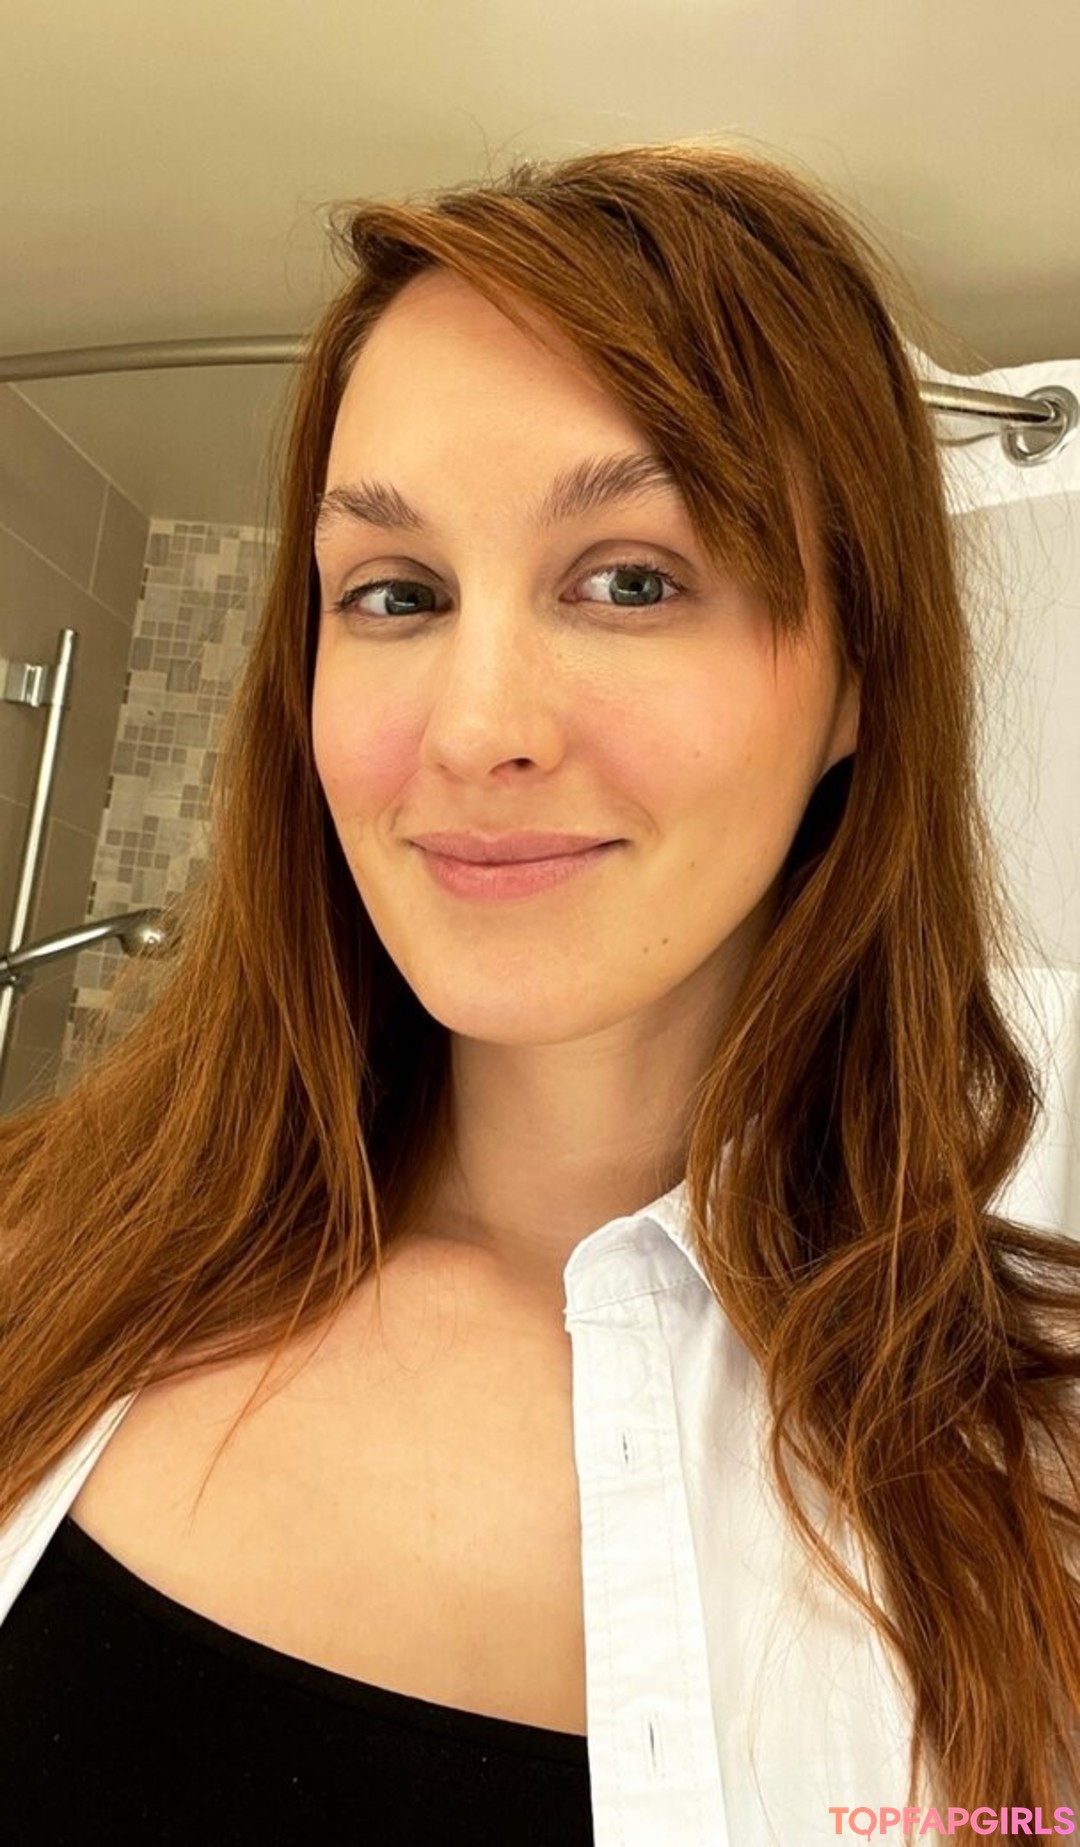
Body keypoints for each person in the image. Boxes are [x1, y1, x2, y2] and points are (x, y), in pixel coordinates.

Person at [0, 137, 1077, 1847]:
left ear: (860, 679)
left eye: (632, 578)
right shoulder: (30, 1252)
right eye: (396, 594)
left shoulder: (1038, 1482)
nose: (476, 726)